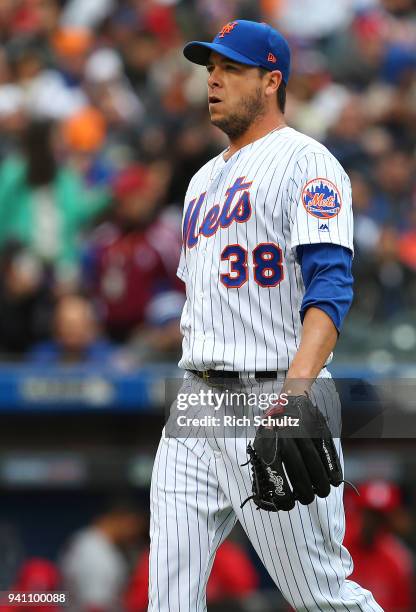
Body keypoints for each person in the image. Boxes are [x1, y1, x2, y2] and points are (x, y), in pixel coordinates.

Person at [148, 19, 383, 612]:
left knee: (320, 597)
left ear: (272, 79)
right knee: (168, 597)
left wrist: (297, 394)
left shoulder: (308, 162)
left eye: (231, 69)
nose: (214, 80)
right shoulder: (200, 182)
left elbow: (330, 287)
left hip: (274, 395)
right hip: (197, 404)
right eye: (211, 69)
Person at [60, 500, 143, 612]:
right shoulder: (98, 554)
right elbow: (95, 606)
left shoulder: (83, 539)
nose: (134, 533)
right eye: (132, 524)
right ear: (119, 520)